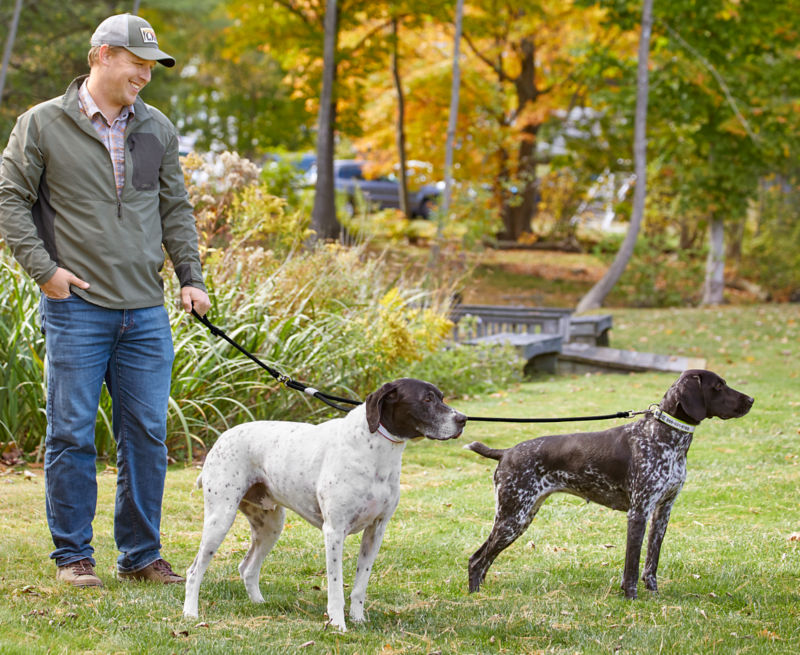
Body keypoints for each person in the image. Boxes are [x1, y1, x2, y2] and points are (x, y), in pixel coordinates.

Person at [0, 13, 211, 587]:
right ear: (100, 56)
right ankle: (73, 556)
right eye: (137, 62)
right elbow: (10, 200)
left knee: (144, 433)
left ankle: (141, 555)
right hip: (76, 308)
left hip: (144, 310)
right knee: (70, 432)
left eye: (151, 66)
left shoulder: (157, 129)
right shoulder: (42, 124)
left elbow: (174, 209)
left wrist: (190, 276)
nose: (145, 74)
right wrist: (45, 272)